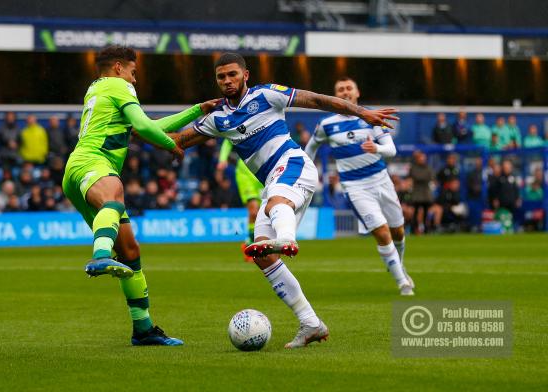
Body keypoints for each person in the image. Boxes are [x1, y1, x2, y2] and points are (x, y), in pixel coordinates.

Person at [167, 53, 398, 348]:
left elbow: (315, 100)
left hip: (292, 164)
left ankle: (287, 239)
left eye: (232, 75)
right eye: (221, 77)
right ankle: (310, 323)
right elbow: (178, 141)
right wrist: (133, 132)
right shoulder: (218, 118)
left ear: (245, 75)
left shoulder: (266, 95)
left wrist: (361, 112)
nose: (227, 81)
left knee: (277, 203)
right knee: (262, 255)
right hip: (273, 181)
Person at [62, 45, 219, 346]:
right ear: (119, 67)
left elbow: (148, 126)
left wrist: (197, 110)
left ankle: (143, 329)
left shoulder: (99, 89)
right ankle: (100, 256)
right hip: (92, 163)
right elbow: (147, 127)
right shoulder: (118, 86)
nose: (135, 80)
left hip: (77, 172)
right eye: (133, 73)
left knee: (131, 251)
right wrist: (171, 146)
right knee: (115, 191)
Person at [305, 77, 414, 296]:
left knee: (398, 231)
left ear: (357, 93)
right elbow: (311, 147)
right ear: (335, 96)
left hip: (381, 180)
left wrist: (377, 148)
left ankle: (397, 264)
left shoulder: (371, 117)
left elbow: (391, 149)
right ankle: (402, 282)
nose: (345, 92)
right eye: (340, 89)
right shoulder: (327, 125)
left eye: (348, 88)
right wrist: (305, 171)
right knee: (382, 233)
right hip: (355, 186)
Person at [217, 138, 264, 259]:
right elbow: (228, 141)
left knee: (260, 214)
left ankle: (250, 241)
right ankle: (250, 245)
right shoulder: (244, 125)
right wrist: (223, 159)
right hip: (245, 173)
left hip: (261, 173)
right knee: (253, 211)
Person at [409, 151, 434, 234]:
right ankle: (414, 229)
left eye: (423, 158)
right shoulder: (413, 167)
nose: (422, 160)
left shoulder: (428, 167)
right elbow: (417, 176)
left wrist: (423, 178)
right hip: (417, 194)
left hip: (426, 194)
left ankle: (426, 229)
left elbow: (430, 176)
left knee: (426, 213)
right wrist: (423, 178)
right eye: (421, 158)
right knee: (415, 212)